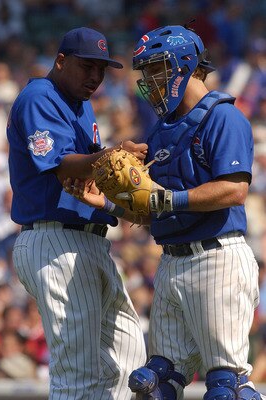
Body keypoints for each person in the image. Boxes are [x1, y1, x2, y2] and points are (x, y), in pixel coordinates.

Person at [64, 25, 266, 400]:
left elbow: (235, 190)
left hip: (216, 258)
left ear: (184, 64)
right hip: (171, 261)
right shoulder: (161, 132)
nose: (149, 80)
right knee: (155, 383)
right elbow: (149, 208)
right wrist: (109, 203)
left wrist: (167, 201)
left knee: (227, 386)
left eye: (156, 69)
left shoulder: (223, 117)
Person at [7, 27, 147, 399]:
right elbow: (62, 165)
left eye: (101, 70)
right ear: (61, 60)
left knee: (130, 361)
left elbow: (90, 177)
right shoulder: (40, 96)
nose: (95, 77)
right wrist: (113, 153)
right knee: (77, 376)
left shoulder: (81, 104)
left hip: (89, 242)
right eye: (87, 67)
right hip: (55, 240)